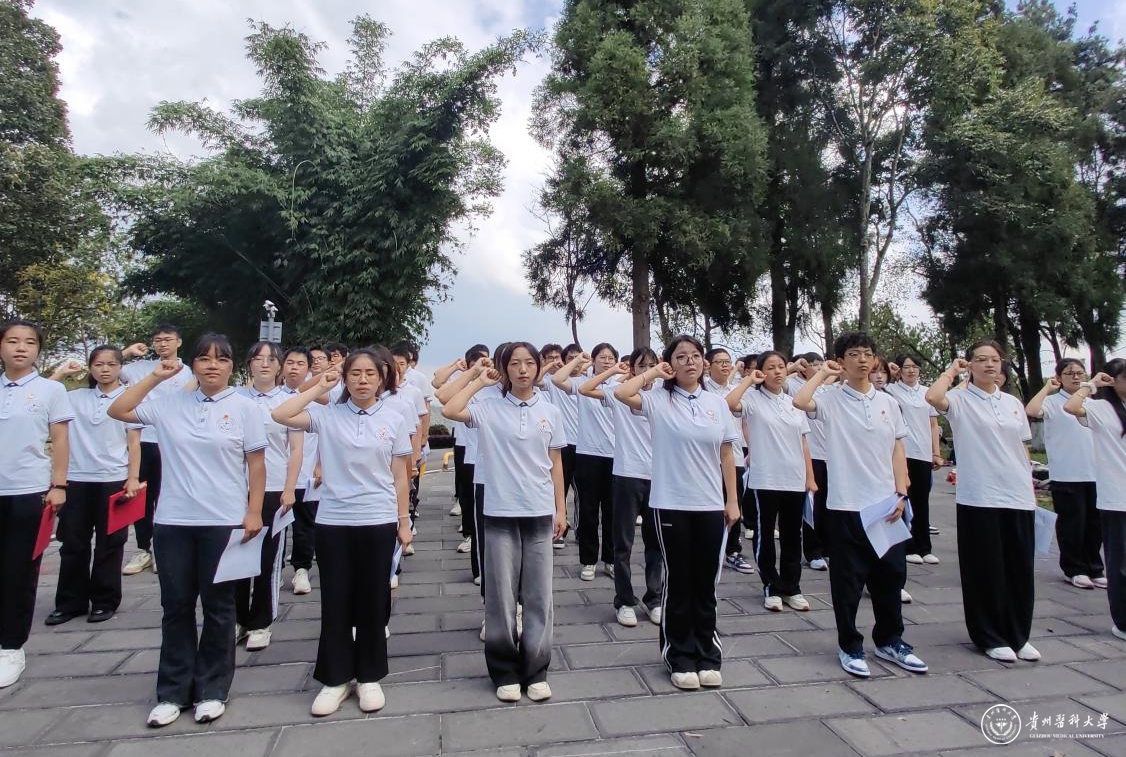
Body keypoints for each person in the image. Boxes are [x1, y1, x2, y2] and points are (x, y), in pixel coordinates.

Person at [109, 333, 267, 727]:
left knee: (219, 607)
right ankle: (172, 691)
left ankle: (212, 689)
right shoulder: (169, 403)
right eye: (204, 358)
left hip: (223, 521)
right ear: (192, 364)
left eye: (221, 359)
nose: (213, 365)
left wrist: (253, 512)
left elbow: (256, 465)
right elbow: (119, 408)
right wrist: (156, 377)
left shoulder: (245, 408)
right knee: (176, 606)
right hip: (173, 521)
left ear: (233, 367)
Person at [271, 348, 412, 717]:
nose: (363, 380)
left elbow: (400, 475)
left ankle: (369, 676)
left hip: (378, 519)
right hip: (334, 520)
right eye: (355, 373)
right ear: (345, 378)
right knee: (335, 600)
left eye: (370, 374)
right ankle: (335, 678)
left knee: (372, 599)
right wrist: (320, 384)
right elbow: (280, 413)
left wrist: (403, 521)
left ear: (382, 379)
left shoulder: (395, 417)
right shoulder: (327, 415)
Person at [793, 333, 928, 679]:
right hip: (846, 505)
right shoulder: (831, 399)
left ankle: (890, 640)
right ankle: (850, 645)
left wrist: (901, 492)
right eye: (854, 354)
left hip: (885, 505)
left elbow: (898, 448)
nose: (862, 360)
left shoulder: (888, 403)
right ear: (842, 360)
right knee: (848, 580)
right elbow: (801, 401)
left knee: (891, 576)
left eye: (868, 354)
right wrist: (824, 374)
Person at [442, 342, 567, 702]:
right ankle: (504, 671)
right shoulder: (488, 407)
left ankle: (536, 669)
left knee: (539, 596)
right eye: (514, 363)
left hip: (538, 510)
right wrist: (479, 380)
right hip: (499, 511)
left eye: (529, 363)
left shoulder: (550, 410)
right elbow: (450, 408)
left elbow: (556, 462)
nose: (523, 369)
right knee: (500, 596)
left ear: (538, 367)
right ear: (504, 368)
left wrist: (561, 509)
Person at [615, 335, 741, 691]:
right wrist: (653, 372)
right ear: (670, 363)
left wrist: (732, 500)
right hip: (670, 503)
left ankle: (707, 653)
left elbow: (727, 454)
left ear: (704, 362)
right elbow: (622, 393)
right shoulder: (658, 399)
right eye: (681, 357)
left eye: (696, 356)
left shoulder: (716, 403)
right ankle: (679, 654)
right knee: (679, 580)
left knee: (705, 581)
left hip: (710, 504)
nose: (690, 362)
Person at [926, 341, 1039, 663]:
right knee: (985, 567)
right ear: (970, 365)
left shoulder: (1012, 403)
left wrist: (1029, 481)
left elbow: (1022, 447)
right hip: (980, 496)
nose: (989, 364)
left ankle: (1018, 634)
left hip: (1017, 494)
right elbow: (932, 397)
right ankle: (988, 635)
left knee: (1019, 568)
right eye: (981, 359)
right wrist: (952, 371)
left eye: (994, 359)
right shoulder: (960, 400)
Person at [0, 320, 74, 688]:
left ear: (38, 350)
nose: (20, 348)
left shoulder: (51, 390)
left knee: (19, 570)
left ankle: (11, 646)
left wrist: (59, 484)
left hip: (28, 490)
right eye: (12, 341)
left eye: (29, 342)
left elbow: (60, 440)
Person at [46, 348, 141, 626]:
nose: (105, 369)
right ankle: (69, 602)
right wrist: (61, 372)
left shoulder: (129, 399)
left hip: (113, 478)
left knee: (110, 544)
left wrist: (133, 477)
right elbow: (42, 394)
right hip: (76, 479)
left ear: (120, 368)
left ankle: (104, 601)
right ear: (90, 368)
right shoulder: (74, 397)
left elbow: (134, 443)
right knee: (73, 543)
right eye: (99, 364)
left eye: (111, 364)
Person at [579, 348, 664, 628]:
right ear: (633, 368)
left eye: (652, 365)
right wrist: (615, 370)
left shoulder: (663, 394)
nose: (648, 370)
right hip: (627, 474)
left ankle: (654, 598)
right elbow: (585, 388)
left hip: (659, 476)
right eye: (642, 365)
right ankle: (625, 600)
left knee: (656, 543)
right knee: (623, 543)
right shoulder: (618, 392)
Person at [727, 351, 815, 613]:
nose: (777, 372)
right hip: (765, 478)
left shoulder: (794, 402)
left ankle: (792, 587)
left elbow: (803, 442)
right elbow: (729, 403)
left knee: (792, 535)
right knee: (765, 534)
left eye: (781, 367)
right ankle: (771, 586)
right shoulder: (752, 399)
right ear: (761, 372)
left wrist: (810, 477)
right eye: (771, 367)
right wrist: (748, 380)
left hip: (794, 477)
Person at [234, 342, 304, 651]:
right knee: (236, 556)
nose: (264, 364)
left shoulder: (289, 402)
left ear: (280, 366)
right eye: (258, 358)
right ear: (248, 363)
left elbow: (296, 450)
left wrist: (290, 488)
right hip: (236, 488)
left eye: (271, 359)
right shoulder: (234, 398)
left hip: (274, 487)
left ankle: (261, 622)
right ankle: (237, 618)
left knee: (268, 558)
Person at [120, 324, 193, 576]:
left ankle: (163, 549)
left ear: (178, 342)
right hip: (142, 440)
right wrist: (127, 352)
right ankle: (144, 548)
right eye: (158, 340)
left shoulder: (189, 373)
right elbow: (106, 367)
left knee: (167, 496)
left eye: (168, 339)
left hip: (172, 442)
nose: (162, 344)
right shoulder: (140, 368)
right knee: (142, 497)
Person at [1063, 360, 1126, 641]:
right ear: (1113, 380)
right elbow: (1071, 406)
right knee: (1120, 565)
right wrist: (1091, 384)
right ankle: (1122, 622)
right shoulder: (1101, 408)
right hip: (1117, 498)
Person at [1027, 359, 1103, 589]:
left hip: (1096, 473)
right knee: (1072, 524)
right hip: (1067, 473)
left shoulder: (1092, 403)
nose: (1076, 377)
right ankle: (1073, 569)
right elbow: (1031, 411)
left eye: (1080, 372)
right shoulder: (1052, 402)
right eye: (1070, 373)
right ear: (1059, 378)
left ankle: (1094, 567)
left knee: (1095, 524)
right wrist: (1046, 388)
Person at [553, 344, 618, 581]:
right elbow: (558, 379)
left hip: (616, 456)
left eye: (611, 358)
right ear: (594, 360)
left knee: (612, 512)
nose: (607, 361)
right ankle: (589, 561)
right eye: (602, 357)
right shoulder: (582, 382)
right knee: (589, 511)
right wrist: (578, 360)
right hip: (588, 454)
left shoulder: (620, 384)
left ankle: (610, 560)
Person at [886, 355, 943, 565]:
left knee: (921, 500)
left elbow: (933, 424)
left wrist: (936, 452)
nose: (911, 370)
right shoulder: (891, 391)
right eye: (906, 367)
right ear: (899, 370)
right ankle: (906, 546)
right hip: (901, 452)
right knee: (903, 499)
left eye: (915, 367)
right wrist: (890, 372)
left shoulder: (927, 393)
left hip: (922, 453)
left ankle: (924, 547)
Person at [704, 348, 754, 576]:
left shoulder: (738, 390)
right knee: (711, 505)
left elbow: (745, 423)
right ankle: (711, 548)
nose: (725, 366)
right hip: (708, 458)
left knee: (734, 503)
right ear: (709, 365)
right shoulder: (703, 388)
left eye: (728, 362)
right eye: (720, 362)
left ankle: (733, 550)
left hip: (734, 456)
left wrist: (750, 449)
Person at [786, 353, 831, 572]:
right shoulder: (794, 385)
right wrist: (792, 367)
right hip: (811, 453)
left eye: (821, 364)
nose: (819, 368)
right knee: (814, 506)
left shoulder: (829, 389)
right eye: (814, 364)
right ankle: (813, 551)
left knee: (831, 505)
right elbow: (775, 380)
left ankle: (829, 547)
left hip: (832, 454)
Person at [280, 347, 317, 595]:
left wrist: (320, 465)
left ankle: (301, 569)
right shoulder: (273, 397)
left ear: (309, 369)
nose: (294, 368)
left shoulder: (316, 400)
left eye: (300, 364)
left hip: (305, 474)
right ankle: (268, 571)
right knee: (274, 529)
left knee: (304, 526)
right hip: (273, 476)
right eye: (290, 362)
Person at [542, 343, 581, 548]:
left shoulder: (589, 380)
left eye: (578, 357)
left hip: (584, 445)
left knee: (582, 493)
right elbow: (537, 379)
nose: (575, 361)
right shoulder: (554, 381)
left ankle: (580, 530)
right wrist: (552, 365)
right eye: (570, 358)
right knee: (560, 488)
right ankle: (559, 529)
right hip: (562, 443)